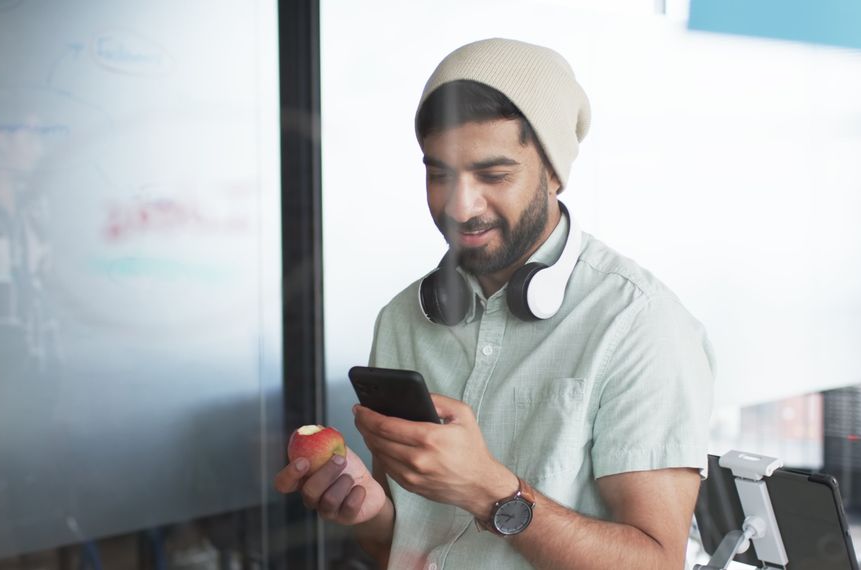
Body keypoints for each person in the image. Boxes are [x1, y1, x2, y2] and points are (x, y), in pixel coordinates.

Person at [276, 38, 715, 569]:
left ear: (553, 172)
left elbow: (657, 562)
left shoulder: (640, 324)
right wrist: (370, 514)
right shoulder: (401, 319)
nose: (460, 207)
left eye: (494, 175)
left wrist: (489, 491)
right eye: (440, 174)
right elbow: (411, 541)